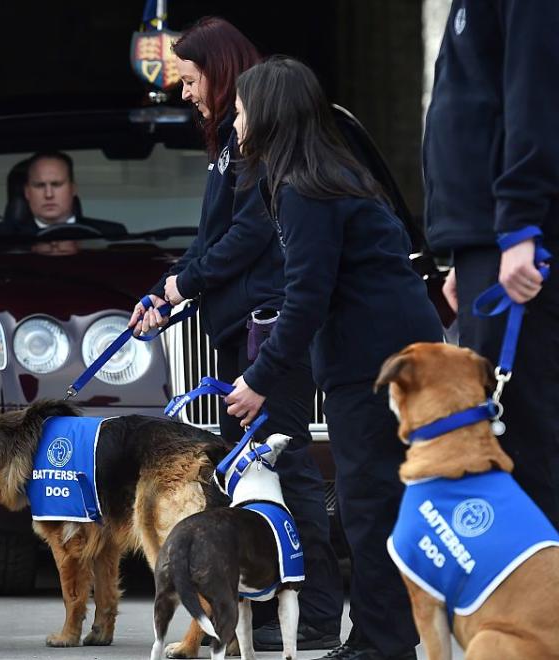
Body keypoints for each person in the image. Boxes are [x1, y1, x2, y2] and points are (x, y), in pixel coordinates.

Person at [129, 17, 343, 655]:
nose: (186, 93)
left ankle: (317, 611)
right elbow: (212, 239)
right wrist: (176, 288)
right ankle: (271, 603)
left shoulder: (258, 149)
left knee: (288, 466)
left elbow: (247, 236)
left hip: (265, 329)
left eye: (192, 80)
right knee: (258, 471)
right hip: (237, 324)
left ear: (221, 74)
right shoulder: (230, 144)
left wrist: (182, 284)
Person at [224, 56, 444, 660]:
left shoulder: (306, 191)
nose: (233, 120)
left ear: (267, 115)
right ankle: (383, 636)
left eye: (240, 109)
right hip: (388, 358)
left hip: (377, 368)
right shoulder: (324, 177)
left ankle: (381, 643)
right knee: (371, 503)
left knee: (370, 506)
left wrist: (261, 379)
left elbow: (306, 298)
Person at [424, 0, 559, 526]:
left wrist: (519, 227)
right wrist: (469, 247)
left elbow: (536, 97)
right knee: (509, 440)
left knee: (526, 439)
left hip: (517, 238)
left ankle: (541, 603)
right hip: (490, 239)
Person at [0, 151, 125, 237]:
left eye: (56, 185)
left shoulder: (111, 235)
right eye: (40, 186)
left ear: (73, 189)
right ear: (27, 192)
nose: (49, 194)